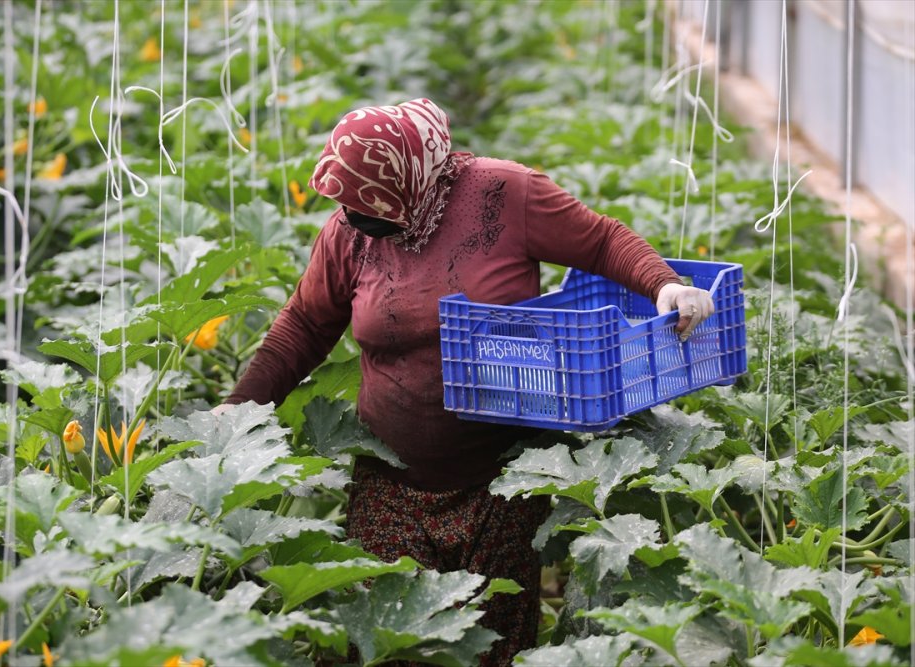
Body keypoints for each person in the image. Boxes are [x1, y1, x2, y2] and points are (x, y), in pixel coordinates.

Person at [214, 98, 714, 665]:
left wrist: (663, 285)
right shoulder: (350, 234)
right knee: (381, 644)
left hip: (501, 480)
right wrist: (236, 411)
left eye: (368, 206)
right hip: (390, 482)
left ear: (413, 182)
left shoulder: (506, 194)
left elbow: (600, 241)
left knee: (492, 647)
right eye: (347, 205)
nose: (352, 217)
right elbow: (302, 327)